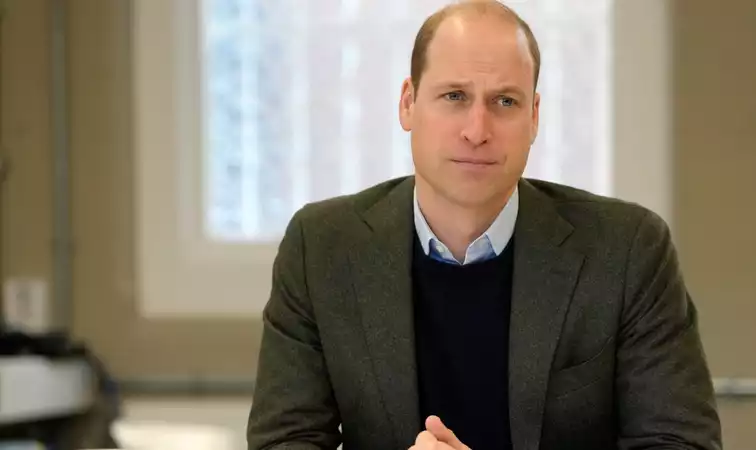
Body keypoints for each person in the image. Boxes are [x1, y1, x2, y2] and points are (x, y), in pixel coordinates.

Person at [247, 1, 722, 449]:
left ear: (534, 117)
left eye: (505, 102)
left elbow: (680, 442)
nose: (477, 130)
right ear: (408, 103)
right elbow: (283, 441)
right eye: (454, 96)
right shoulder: (321, 248)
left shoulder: (627, 251)